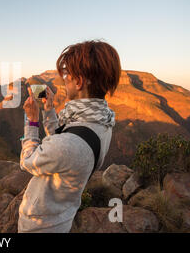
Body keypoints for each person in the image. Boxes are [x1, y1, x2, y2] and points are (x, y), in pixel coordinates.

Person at [18, 39, 121, 233]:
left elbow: (28, 162)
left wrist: (31, 122)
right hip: (63, 216)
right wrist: (48, 110)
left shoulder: (69, 145)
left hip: (40, 225)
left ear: (79, 81)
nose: (63, 80)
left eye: (66, 75)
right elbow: (62, 140)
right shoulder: (102, 123)